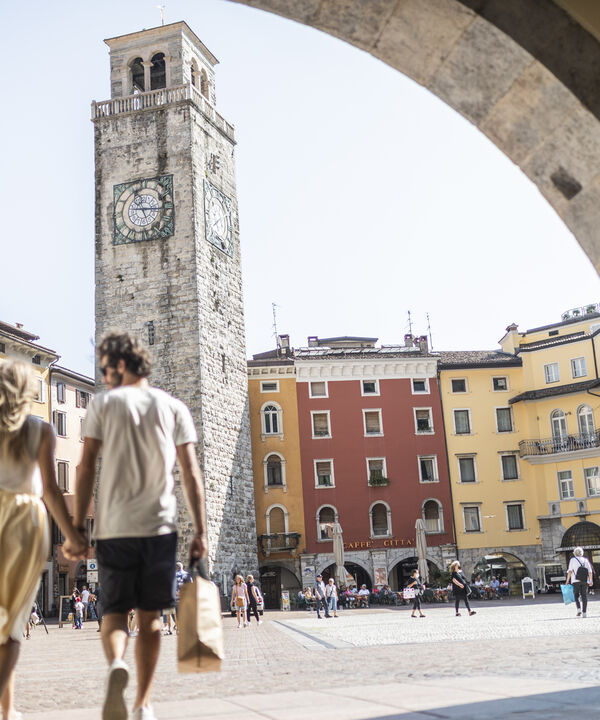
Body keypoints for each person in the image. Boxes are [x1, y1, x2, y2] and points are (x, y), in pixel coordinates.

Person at [72, 332, 207, 720]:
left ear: (117, 365)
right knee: (151, 616)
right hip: (159, 525)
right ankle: (144, 703)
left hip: (113, 527)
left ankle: (117, 662)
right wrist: (201, 531)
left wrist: (79, 526)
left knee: (114, 611)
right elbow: (191, 474)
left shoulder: (103, 404)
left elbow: (84, 471)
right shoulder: (173, 407)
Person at [0, 360, 86, 720]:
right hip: (25, 521)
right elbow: (51, 490)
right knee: (14, 622)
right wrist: (72, 535)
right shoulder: (42, 429)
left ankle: (8, 709)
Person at [567, 546, 593, 618]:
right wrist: (590, 580)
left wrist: (567, 581)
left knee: (576, 595)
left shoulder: (572, 560)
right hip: (584, 580)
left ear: (574, 553)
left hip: (575, 580)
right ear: (582, 553)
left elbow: (570, 571)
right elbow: (590, 571)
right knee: (584, 596)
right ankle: (584, 612)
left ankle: (578, 609)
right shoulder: (585, 560)